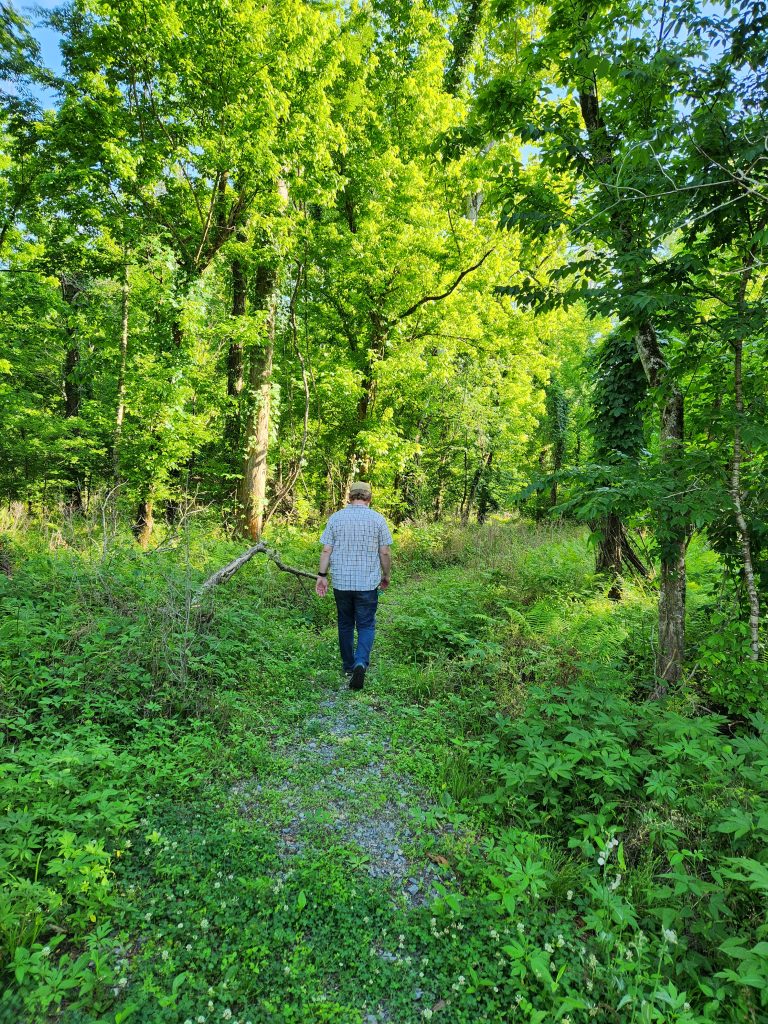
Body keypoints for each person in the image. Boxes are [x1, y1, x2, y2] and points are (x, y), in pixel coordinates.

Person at [315, 481, 393, 690]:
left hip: (342, 582)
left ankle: (349, 666)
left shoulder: (336, 518)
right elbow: (384, 552)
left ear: (350, 497)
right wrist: (386, 574)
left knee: (345, 623)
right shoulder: (377, 519)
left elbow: (326, 550)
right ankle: (361, 662)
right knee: (366, 624)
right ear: (369, 498)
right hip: (367, 583)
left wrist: (322, 575)